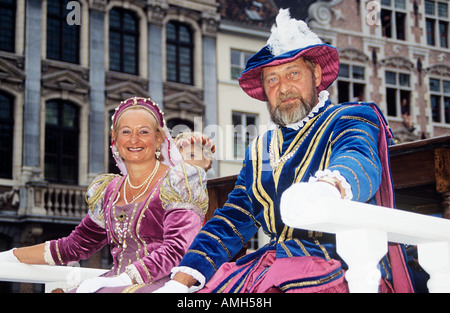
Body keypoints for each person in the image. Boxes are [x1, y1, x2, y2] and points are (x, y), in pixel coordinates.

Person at [154, 9, 414, 293]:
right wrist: (182, 279)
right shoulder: (262, 149)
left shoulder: (349, 118)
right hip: (274, 265)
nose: (284, 88)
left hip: (342, 264)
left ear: (315, 74)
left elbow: (358, 159)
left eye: (293, 73)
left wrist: (328, 187)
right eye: (272, 80)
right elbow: (235, 216)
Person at [0, 97, 208, 293]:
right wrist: (11, 256)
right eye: (126, 132)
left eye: (143, 131)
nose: (134, 139)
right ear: (115, 140)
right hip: (116, 284)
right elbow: (74, 245)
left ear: (159, 138)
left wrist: (123, 279)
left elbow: (179, 248)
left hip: (164, 284)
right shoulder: (109, 190)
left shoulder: (180, 180)